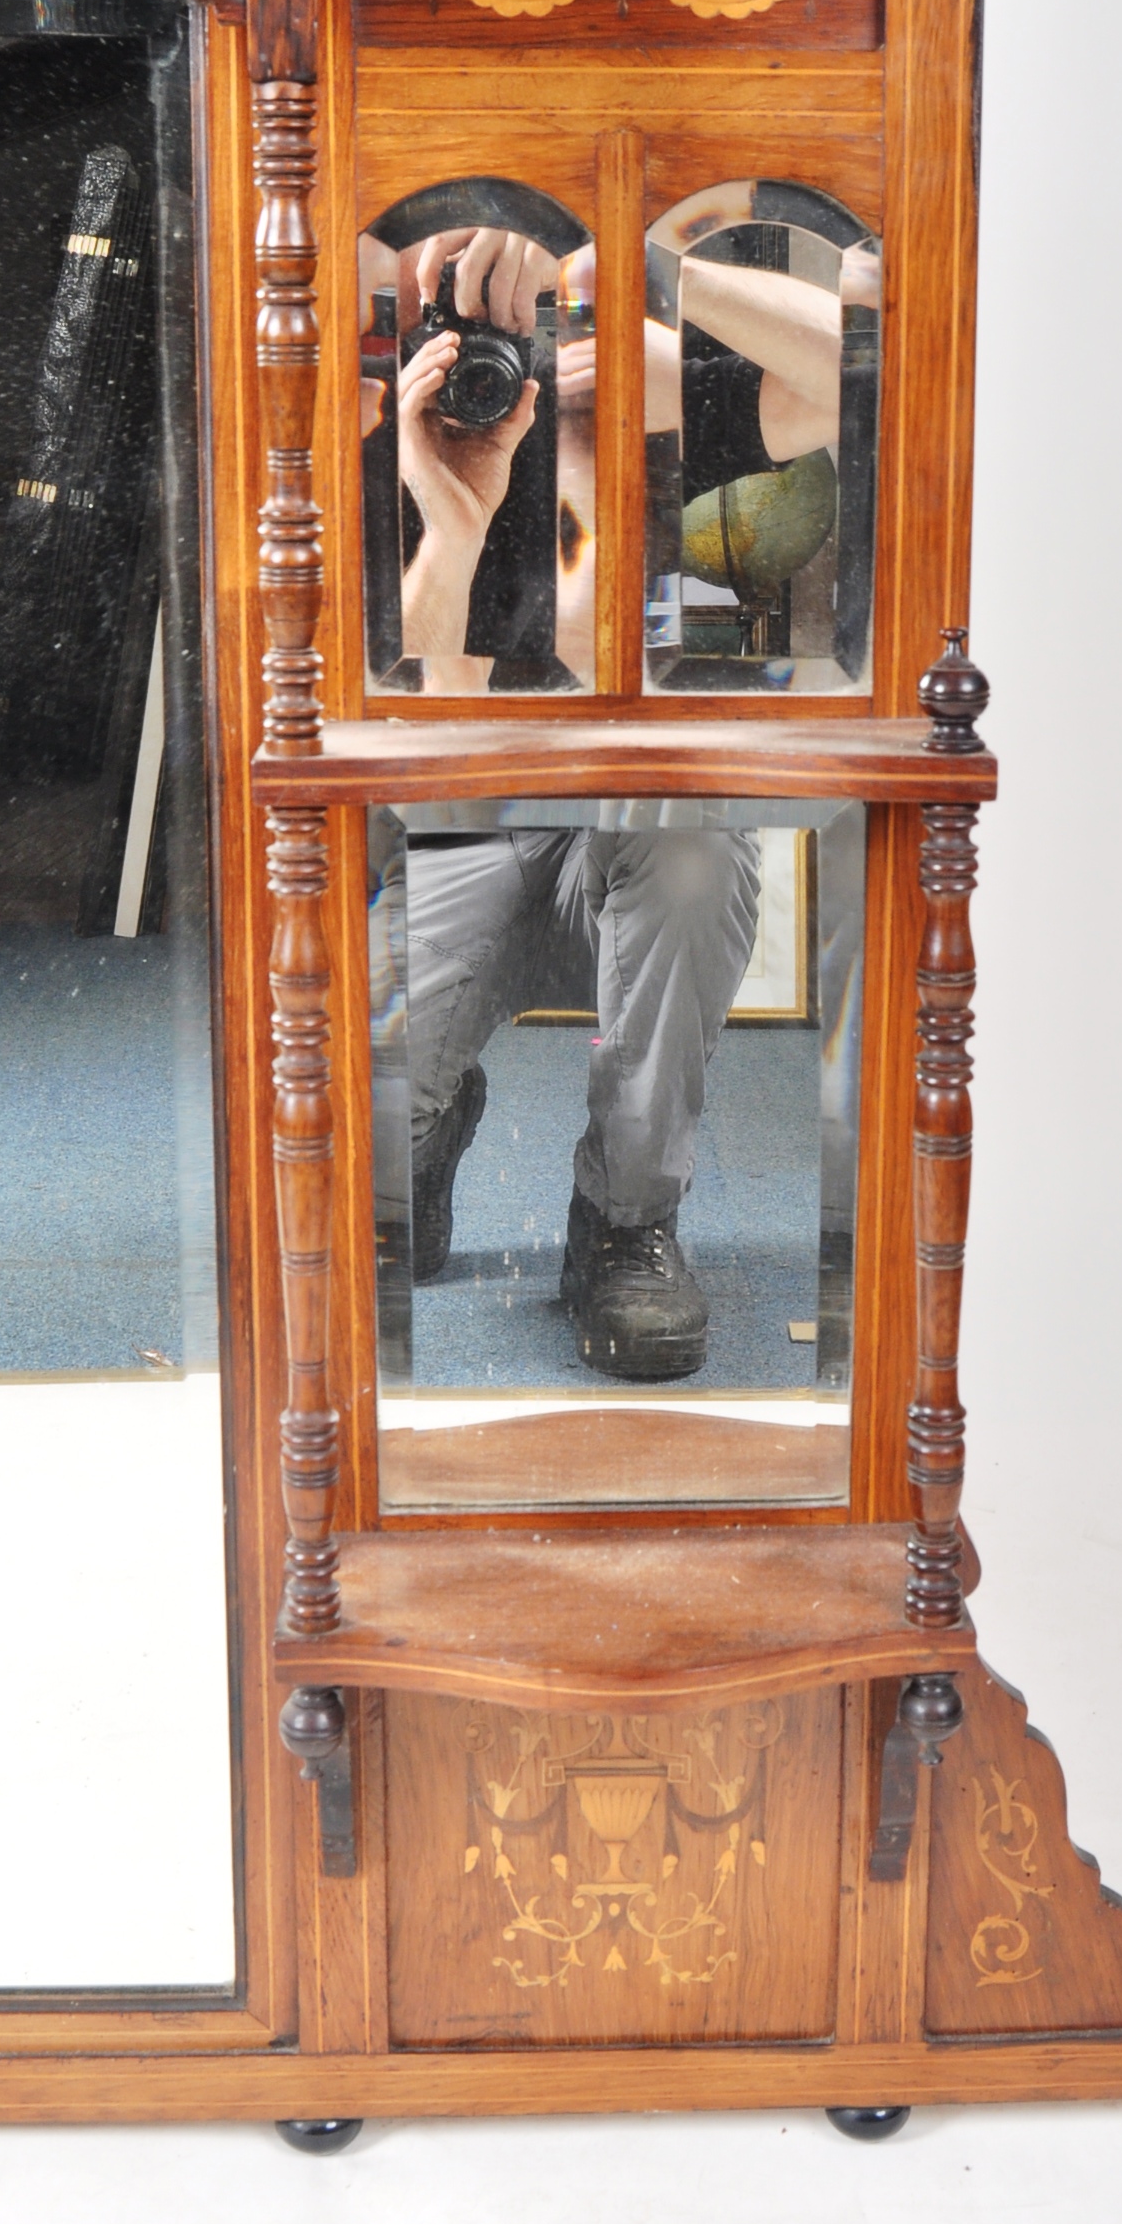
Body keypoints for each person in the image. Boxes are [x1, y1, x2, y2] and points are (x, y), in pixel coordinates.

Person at [371, 216, 854, 1381]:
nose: (523, 357)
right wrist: (453, 515)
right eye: (493, 310)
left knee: (693, 858)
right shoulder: (400, 408)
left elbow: (859, 371)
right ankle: (419, 1145)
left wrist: (652, 276)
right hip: (458, 828)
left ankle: (627, 1220)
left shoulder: (637, 383)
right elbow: (396, 711)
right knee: (372, 1104)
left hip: (637, 834)